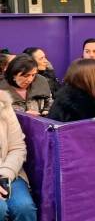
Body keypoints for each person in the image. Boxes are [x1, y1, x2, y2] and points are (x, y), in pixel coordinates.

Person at [0, 89, 38, 220]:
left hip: (8, 171)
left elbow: (17, 147)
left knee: (24, 208)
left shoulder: (3, 103)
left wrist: (5, 174)